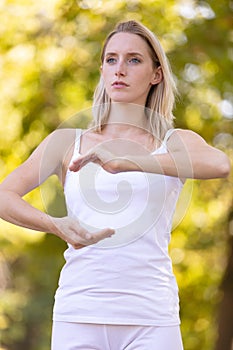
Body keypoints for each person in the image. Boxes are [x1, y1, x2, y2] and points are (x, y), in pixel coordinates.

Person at [0, 20, 230, 350]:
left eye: (134, 59)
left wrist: (129, 161)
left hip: (151, 316)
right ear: (103, 70)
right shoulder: (68, 142)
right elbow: (4, 195)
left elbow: (220, 165)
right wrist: (56, 225)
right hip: (79, 312)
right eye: (111, 59)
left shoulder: (174, 142)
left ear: (156, 74)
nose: (119, 69)